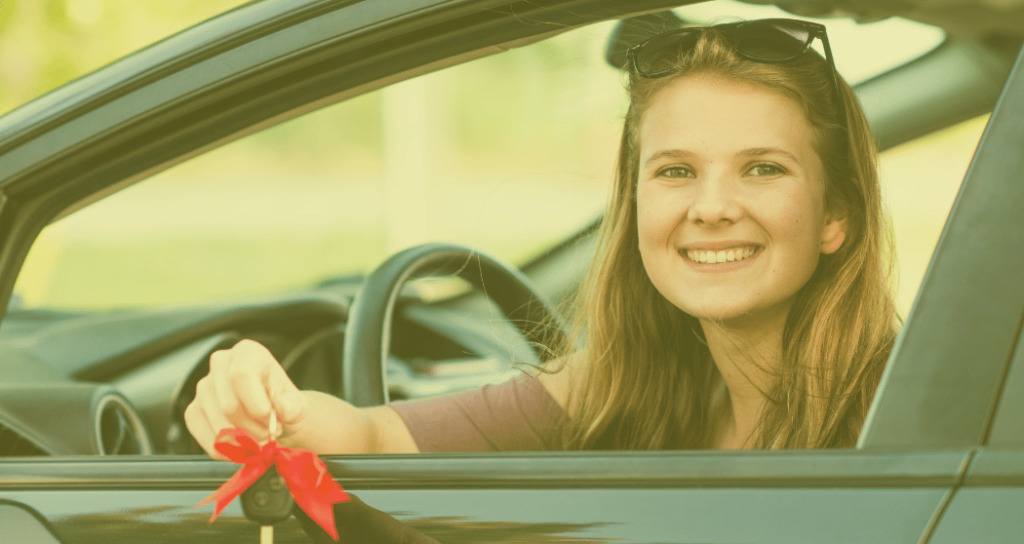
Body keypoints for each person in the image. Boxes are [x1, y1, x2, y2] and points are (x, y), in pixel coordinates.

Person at [186, 19, 898, 458]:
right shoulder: (629, 385)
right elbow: (373, 438)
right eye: (676, 170)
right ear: (635, 200)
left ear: (837, 216)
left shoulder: (899, 409)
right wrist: (274, 403)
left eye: (763, 168)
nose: (711, 207)